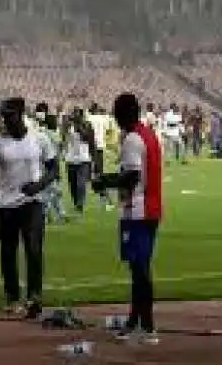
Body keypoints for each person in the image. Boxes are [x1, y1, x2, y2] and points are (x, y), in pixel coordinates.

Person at [93, 93, 162, 344]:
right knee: (139, 269)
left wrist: (104, 181)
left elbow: (131, 177)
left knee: (140, 270)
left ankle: (148, 326)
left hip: (138, 210)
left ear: (123, 114)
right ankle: (135, 321)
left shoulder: (132, 139)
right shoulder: (148, 134)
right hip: (150, 209)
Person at [0, 97, 57, 320]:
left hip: (32, 202)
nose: (6, 120)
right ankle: (12, 297)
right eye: (4, 115)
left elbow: (54, 169)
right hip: (6, 204)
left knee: (34, 250)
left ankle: (35, 297)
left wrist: (38, 186)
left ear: (21, 113)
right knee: (8, 252)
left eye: (10, 115)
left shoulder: (39, 138)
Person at [63, 108, 94, 214]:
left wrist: (78, 127)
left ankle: (80, 204)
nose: (73, 116)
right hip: (71, 159)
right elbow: (64, 137)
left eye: (76, 114)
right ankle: (76, 202)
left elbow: (88, 139)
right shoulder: (69, 126)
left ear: (81, 116)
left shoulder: (87, 125)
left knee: (81, 183)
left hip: (84, 158)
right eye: (73, 114)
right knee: (72, 184)